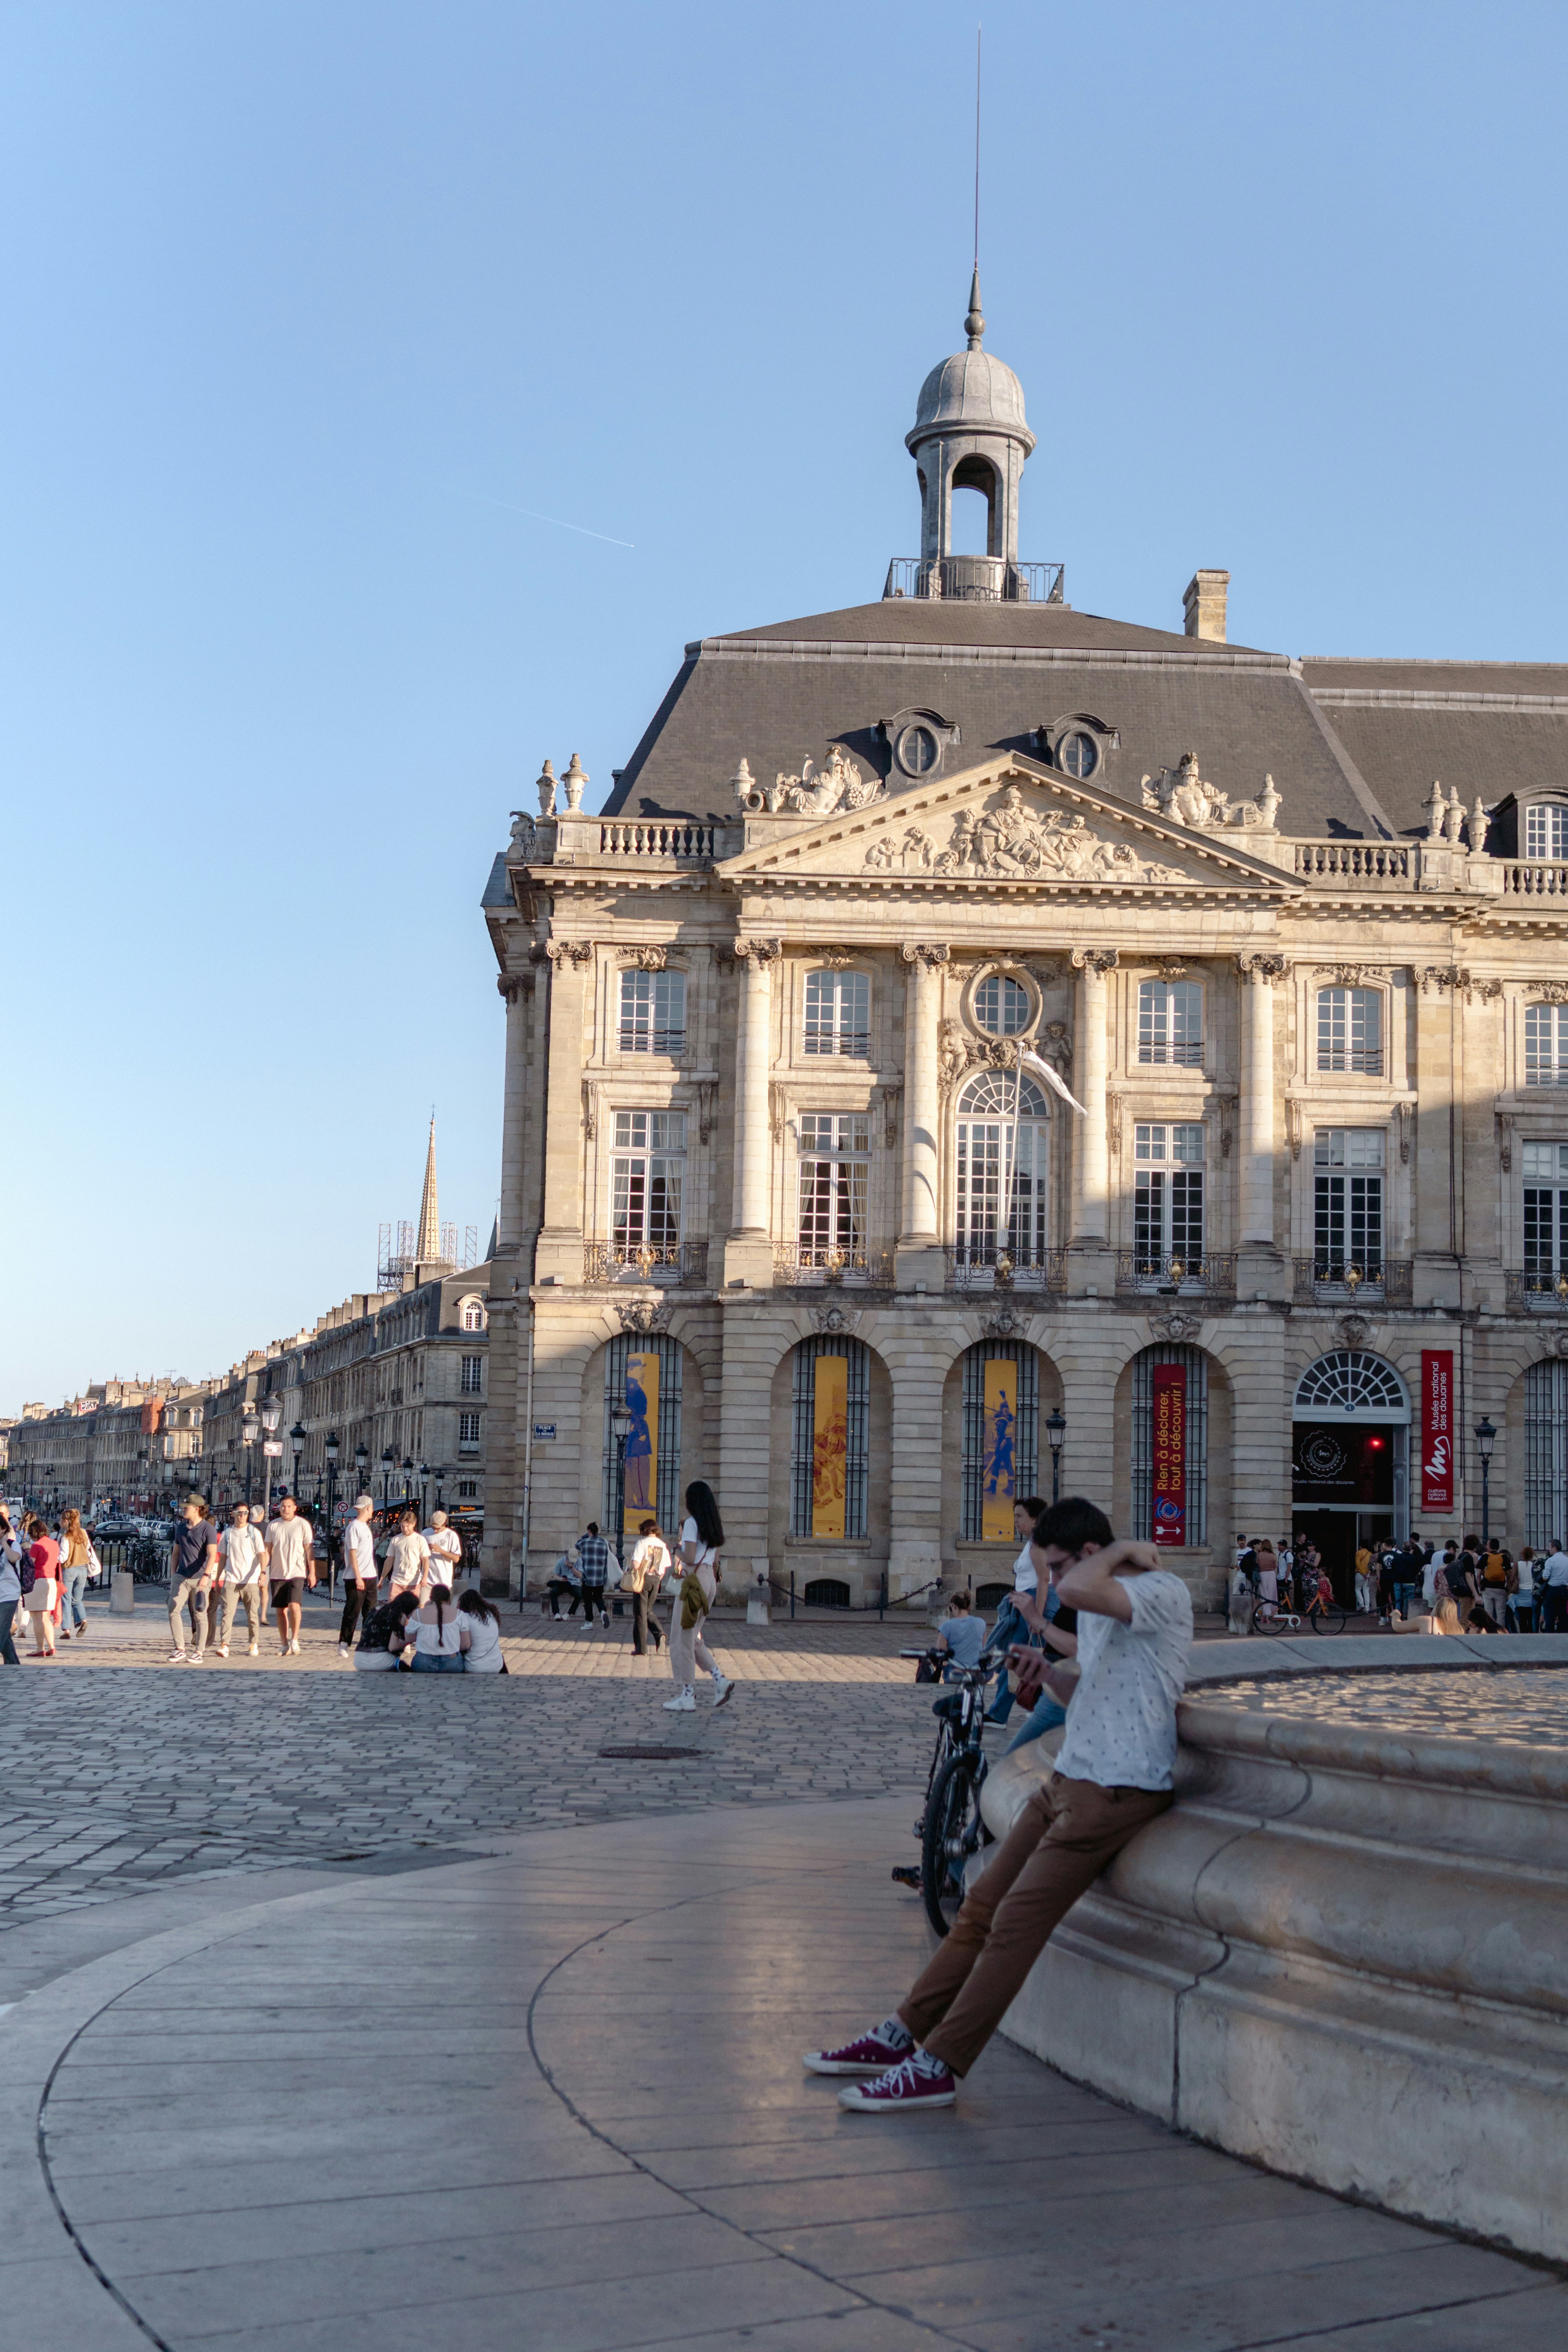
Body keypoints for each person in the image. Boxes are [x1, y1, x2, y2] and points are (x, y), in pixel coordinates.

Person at [805, 1497, 1192, 2112]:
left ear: (1092, 1555)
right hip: (1069, 1776)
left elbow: (1091, 1586)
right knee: (980, 1904)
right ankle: (900, 2034)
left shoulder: (1159, 1590)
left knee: (1016, 1923)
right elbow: (1093, 1685)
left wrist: (1121, 1550)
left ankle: (940, 2065)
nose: (1055, 1584)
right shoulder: (1096, 1600)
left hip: (1117, 1790)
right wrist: (1049, 1671)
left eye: (1060, 1568)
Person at [664, 1481, 732, 1711]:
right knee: (693, 1638)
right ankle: (719, 1680)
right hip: (709, 1582)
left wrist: (675, 1549)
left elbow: (690, 1557)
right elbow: (716, 1558)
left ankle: (688, 1695)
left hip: (694, 1583)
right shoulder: (714, 1523)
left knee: (681, 1638)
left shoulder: (693, 1524)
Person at [984, 1498, 1049, 1724]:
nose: (1015, 1521)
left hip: (1030, 1604)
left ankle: (999, 1714)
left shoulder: (1039, 1543)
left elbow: (1044, 1580)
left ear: (1035, 1519)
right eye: (1015, 1516)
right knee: (1019, 1658)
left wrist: (1036, 1616)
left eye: (1020, 1516)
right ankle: (1005, 1712)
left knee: (1015, 1658)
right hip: (1023, 1604)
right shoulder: (1032, 1542)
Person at [213, 1501, 269, 1658]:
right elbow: (223, 1557)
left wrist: (263, 1572)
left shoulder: (253, 1532)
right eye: (239, 1513)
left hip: (251, 1580)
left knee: (252, 1615)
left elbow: (262, 1554)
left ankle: (253, 1644)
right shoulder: (227, 1534)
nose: (243, 1516)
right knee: (227, 1613)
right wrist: (218, 1578)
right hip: (232, 1579)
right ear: (234, 1514)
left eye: (245, 1513)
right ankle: (225, 1645)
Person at [265, 1493, 316, 1658]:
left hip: (297, 1571)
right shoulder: (273, 1526)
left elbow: (309, 1550)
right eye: (283, 1506)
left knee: (295, 1606)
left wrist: (312, 1573)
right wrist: (263, 1570)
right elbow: (268, 1550)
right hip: (278, 1572)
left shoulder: (303, 1524)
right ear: (279, 1508)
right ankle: (284, 1643)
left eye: (289, 1506)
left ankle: (295, 1639)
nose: (285, 1509)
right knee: (281, 1610)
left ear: (295, 1508)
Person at [166, 1498, 218, 1663]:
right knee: (173, 1609)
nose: (183, 1510)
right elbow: (176, 1552)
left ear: (196, 1509)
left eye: (186, 1507)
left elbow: (212, 1555)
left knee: (200, 1614)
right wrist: (173, 1573)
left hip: (200, 1578)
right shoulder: (181, 1528)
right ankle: (180, 1649)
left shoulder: (207, 1529)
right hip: (181, 1576)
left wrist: (206, 1576)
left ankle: (199, 1652)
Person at [339, 1495, 379, 1657]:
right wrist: (358, 1576)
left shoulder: (366, 1527)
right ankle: (344, 1643)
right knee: (352, 1611)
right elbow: (352, 1553)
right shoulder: (354, 1527)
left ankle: (367, 1642)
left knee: (370, 1612)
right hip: (357, 1576)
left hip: (370, 1575)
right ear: (369, 1508)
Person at [622, 1519, 669, 1656]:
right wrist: (658, 1579)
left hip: (642, 1580)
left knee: (640, 1614)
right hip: (656, 1580)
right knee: (647, 1611)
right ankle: (659, 1636)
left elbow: (636, 1565)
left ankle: (642, 1648)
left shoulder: (642, 1543)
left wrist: (631, 1562)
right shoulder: (662, 1545)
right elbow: (664, 1567)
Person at [405, 1581, 468, 1672]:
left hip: (423, 1664)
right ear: (449, 1599)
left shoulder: (418, 1614)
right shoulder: (459, 1614)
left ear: (430, 1598)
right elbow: (466, 1644)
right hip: (452, 1664)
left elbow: (409, 1639)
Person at [353, 1587, 419, 1672]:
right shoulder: (400, 1615)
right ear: (409, 1608)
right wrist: (409, 1640)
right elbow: (393, 1647)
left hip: (359, 1661)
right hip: (381, 1662)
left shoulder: (378, 1609)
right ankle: (397, 1664)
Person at [23, 1515, 62, 1658]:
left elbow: (30, 1566)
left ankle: (40, 1648)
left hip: (37, 1583)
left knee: (37, 1618)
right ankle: (52, 1647)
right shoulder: (54, 1544)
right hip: (51, 1582)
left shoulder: (37, 1546)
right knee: (46, 1618)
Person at [57, 1508, 94, 1642]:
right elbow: (89, 1549)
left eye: (61, 1520)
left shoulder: (66, 1537)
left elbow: (63, 1557)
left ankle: (66, 1630)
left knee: (66, 1600)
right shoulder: (83, 1533)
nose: (60, 1523)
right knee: (77, 1599)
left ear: (66, 1521)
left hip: (70, 1570)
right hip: (83, 1570)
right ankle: (83, 1620)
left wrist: (53, 1557)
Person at [573, 1522, 617, 1632]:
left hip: (588, 1578)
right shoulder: (605, 1543)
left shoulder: (585, 1543)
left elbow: (576, 1546)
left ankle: (589, 1622)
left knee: (587, 1600)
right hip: (600, 1578)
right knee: (598, 1597)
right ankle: (602, 1612)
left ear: (589, 1532)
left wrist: (585, 1536)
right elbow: (610, 1554)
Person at [384, 1509, 431, 1608]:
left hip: (413, 1581)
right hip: (396, 1580)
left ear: (413, 1524)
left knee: (412, 1611)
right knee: (393, 1609)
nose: (405, 1529)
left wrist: (425, 1577)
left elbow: (425, 1560)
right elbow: (390, 1560)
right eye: (402, 1526)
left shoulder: (420, 1540)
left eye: (408, 1526)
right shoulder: (396, 1540)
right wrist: (382, 1577)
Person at [934, 1590, 985, 1678]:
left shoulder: (947, 1626)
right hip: (977, 1671)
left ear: (954, 1606)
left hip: (955, 1671)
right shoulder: (981, 1623)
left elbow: (939, 1653)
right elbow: (984, 1648)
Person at [458, 1588, 505, 1672]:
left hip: (474, 1668)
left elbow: (463, 1646)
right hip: (497, 1666)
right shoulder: (491, 1614)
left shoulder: (464, 1617)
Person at [0, 1508, 24, 1666]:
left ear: (3, 1529)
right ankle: (14, 1665)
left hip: (9, 1595)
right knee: (5, 1635)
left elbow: (15, 1558)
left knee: (1, 1633)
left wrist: (4, 1542)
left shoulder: (13, 1544)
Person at [423, 1507, 463, 1594]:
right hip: (427, 1579)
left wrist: (441, 1551)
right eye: (433, 1528)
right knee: (424, 1606)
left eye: (438, 1528)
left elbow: (456, 1559)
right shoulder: (426, 1533)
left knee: (443, 1607)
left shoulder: (451, 1535)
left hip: (444, 1580)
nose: (435, 1531)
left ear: (445, 1524)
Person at [543, 1549, 584, 1621]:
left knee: (580, 1595)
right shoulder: (561, 1561)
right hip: (563, 1583)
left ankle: (569, 1614)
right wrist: (561, 1579)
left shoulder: (580, 1561)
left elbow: (579, 1576)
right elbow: (556, 1576)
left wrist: (572, 1567)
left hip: (574, 1584)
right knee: (553, 1592)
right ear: (568, 1556)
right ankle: (557, 1614)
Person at [1538, 1539, 1568, 1633]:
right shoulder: (1567, 1560)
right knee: (1563, 1615)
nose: (1549, 1549)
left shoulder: (1550, 1561)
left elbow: (1546, 1577)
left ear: (1554, 1548)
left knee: (1550, 1616)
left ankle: (1550, 1637)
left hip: (1552, 1590)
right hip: (1564, 1590)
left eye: (1550, 1547)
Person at [1513, 1548, 1536, 1633]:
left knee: (1522, 1617)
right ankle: (1531, 1632)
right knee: (1531, 1617)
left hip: (1520, 1593)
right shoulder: (1534, 1565)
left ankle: (1523, 1634)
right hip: (1531, 1592)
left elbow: (1512, 1578)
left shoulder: (1517, 1565)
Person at [1353, 1540, 1374, 1615]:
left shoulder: (1358, 1553)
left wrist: (1362, 1572)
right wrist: (1367, 1573)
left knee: (1358, 1589)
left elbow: (1357, 1564)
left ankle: (1361, 1604)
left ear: (1361, 1546)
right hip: (1368, 1574)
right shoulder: (1370, 1554)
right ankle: (1367, 1608)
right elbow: (1371, 1565)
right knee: (1366, 1590)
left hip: (1360, 1574)